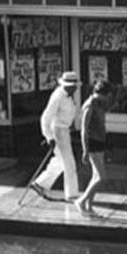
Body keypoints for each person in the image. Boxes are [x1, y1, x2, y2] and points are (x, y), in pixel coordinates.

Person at [31, 71, 81, 201]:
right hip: (57, 131)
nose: (75, 89)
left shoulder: (69, 96)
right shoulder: (58, 96)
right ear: (67, 85)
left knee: (60, 161)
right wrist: (49, 137)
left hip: (65, 130)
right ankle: (72, 194)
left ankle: (40, 183)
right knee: (69, 163)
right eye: (73, 86)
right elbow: (45, 118)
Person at [75, 80, 113, 216]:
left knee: (95, 176)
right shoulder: (90, 104)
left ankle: (89, 207)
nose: (108, 98)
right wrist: (85, 150)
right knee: (101, 177)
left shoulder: (99, 103)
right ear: (101, 94)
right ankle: (81, 201)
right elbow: (83, 129)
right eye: (107, 95)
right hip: (92, 143)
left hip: (100, 141)